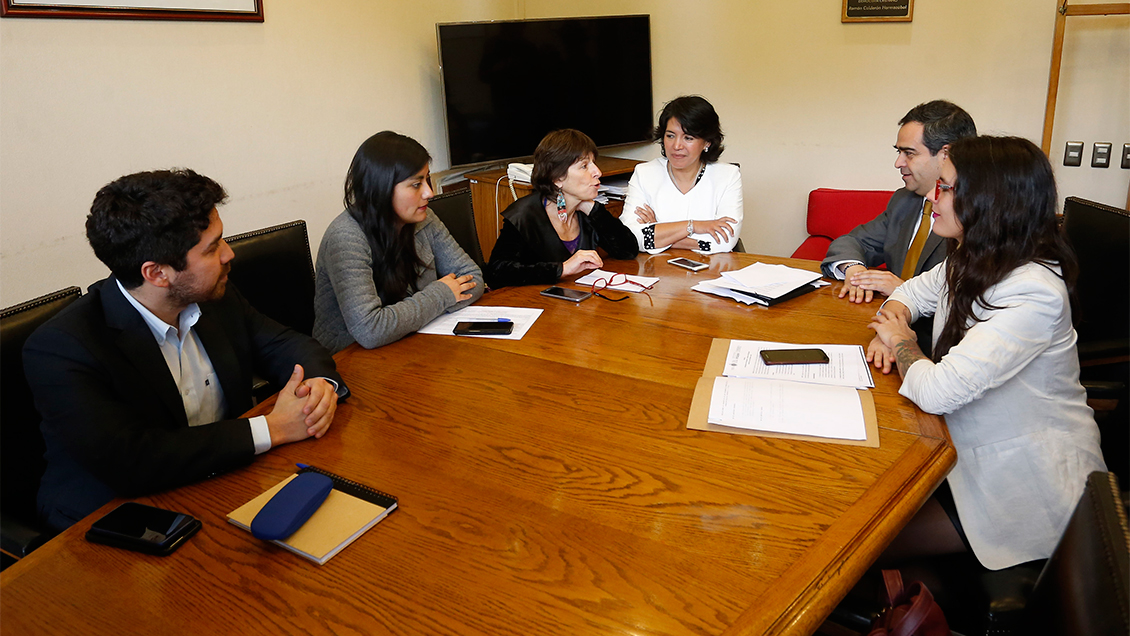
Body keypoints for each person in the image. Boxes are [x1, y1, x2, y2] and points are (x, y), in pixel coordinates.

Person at [24, 169, 346, 532]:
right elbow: (133, 460)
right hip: (115, 518)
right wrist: (272, 428)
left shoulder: (212, 294)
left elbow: (286, 343)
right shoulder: (63, 347)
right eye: (212, 248)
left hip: (224, 480)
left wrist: (318, 387)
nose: (229, 254)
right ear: (157, 273)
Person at [867, 136, 1106, 571]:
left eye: (947, 188)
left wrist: (901, 341)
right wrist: (891, 329)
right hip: (957, 448)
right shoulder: (975, 255)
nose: (934, 198)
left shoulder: (1033, 290)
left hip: (1021, 481)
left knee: (864, 542)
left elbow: (937, 392)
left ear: (992, 201)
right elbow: (909, 293)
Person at [823, 101, 975, 354]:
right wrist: (855, 272)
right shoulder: (905, 201)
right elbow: (853, 241)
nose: (898, 163)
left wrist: (902, 289)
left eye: (909, 153)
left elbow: (970, 312)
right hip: (886, 330)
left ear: (946, 154)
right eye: (899, 152)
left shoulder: (974, 218)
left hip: (939, 352)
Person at [314, 132, 483, 353]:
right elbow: (370, 330)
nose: (429, 193)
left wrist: (407, 318)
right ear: (381, 189)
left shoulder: (425, 218)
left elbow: (473, 277)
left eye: (427, 179)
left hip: (413, 341)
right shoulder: (346, 237)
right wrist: (441, 295)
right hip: (350, 357)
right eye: (416, 184)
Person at [485, 129, 639, 288]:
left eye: (594, 163)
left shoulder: (588, 211)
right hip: (534, 300)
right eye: (584, 166)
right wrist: (561, 269)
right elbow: (496, 272)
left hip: (580, 296)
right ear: (557, 178)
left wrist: (592, 209)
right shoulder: (524, 214)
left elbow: (628, 250)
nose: (597, 172)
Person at [620, 95, 743, 255]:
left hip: (711, 267)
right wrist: (694, 226)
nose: (677, 146)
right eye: (670, 136)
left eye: (688, 138)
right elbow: (630, 237)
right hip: (656, 267)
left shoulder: (728, 175)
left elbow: (725, 241)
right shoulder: (644, 173)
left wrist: (659, 231)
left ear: (707, 142)